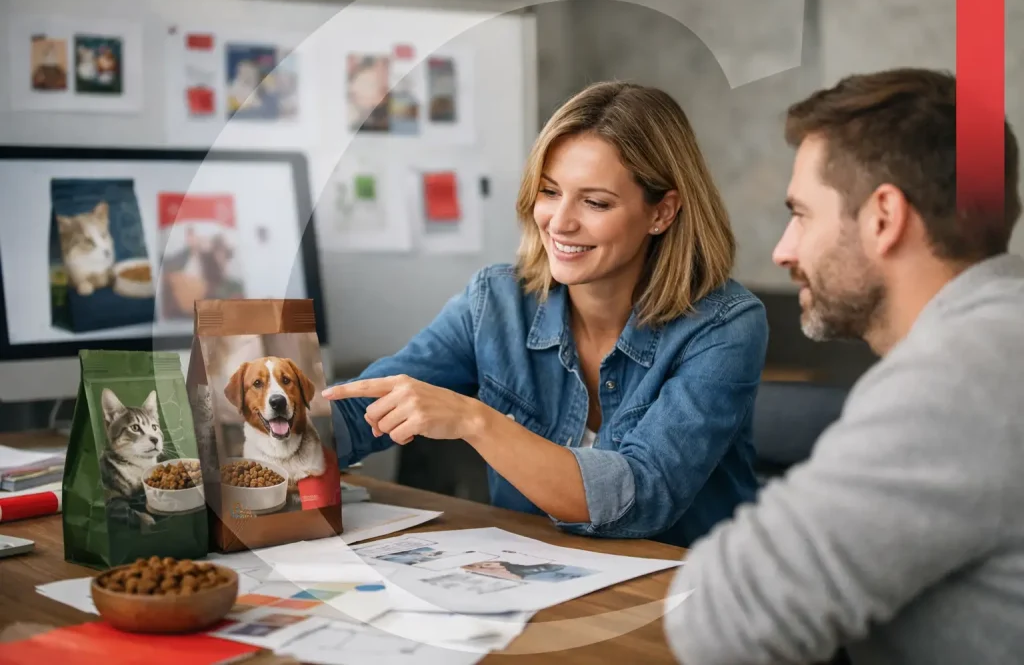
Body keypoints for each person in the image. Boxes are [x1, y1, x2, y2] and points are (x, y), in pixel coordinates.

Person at [664, 67, 1024, 665]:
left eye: (801, 214)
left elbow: (721, 618)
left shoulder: (961, 378)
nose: (783, 249)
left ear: (884, 217)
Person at [323, 81, 769, 548]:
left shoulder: (724, 325)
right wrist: (261, 427)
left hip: (686, 596)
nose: (559, 221)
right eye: (550, 191)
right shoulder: (496, 301)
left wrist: (477, 422)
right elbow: (359, 411)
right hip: (539, 580)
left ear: (662, 213)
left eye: (595, 202)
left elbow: (641, 495)